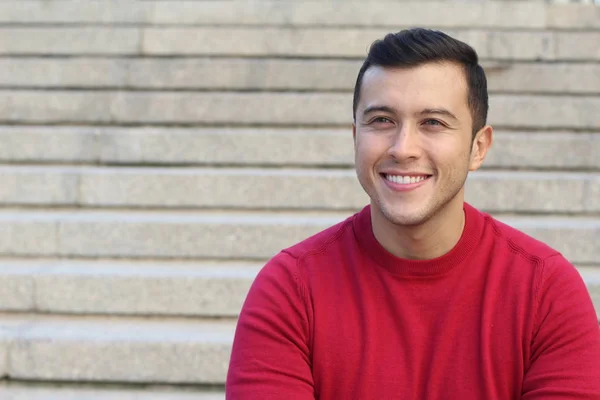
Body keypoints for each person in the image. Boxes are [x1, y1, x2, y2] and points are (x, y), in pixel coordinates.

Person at [226, 28, 600, 399]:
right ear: (355, 137)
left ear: (478, 147)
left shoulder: (546, 292)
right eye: (382, 121)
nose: (403, 148)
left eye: (433, 123)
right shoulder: (290, 290)